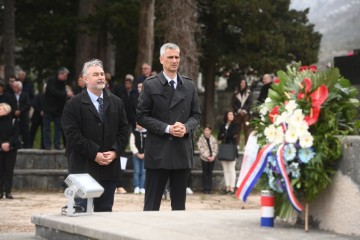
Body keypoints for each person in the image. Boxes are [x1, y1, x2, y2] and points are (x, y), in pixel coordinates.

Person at [136, 42, 201, 211]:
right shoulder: (151, 85)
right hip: (159, 151)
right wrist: (167, 128)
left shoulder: (189, 85)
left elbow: (196, 115)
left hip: (181, 151)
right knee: (151, 206)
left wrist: (186, 127)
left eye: (177, 57)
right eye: (170, 57)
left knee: (179, 207)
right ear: (161, 59)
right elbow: (141, 116)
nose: (174, 60)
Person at [61, 59, 129, 212]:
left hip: (109, 168)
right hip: (83, 169)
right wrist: (94, 153)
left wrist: (115, 151)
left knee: (104, 213)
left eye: (102, 74)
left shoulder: (117, 102)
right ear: (85, 79)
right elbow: (72, 135)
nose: (100, 77)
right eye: (95, 74)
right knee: (81, 212)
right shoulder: (73, 104)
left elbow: (124, 131)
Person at [43, 67, 74, 150]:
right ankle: (47, 145)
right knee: (46, 128)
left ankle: (57, 145)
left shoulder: (63, 82)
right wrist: (66, 93)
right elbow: (53, 91)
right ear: (60, 74)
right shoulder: (51, 80)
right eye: (65, 75)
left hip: (59, 109)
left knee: (58, 128)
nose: (66, 77)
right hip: (49, 108)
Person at [0, 103, 21, 199]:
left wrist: (8, 143)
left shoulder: (13, 121)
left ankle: (8, 191)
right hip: (0, 148)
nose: (0, 111)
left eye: (1, 109)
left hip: (11, 149)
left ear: (7, 110)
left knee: (9, 170)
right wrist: (1, 144)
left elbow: (15, 135)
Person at [217, 111, 238, 194]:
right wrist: (225, 134)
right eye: (230, 114)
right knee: (225, 170)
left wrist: (224, 134)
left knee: (231, 169)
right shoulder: (222, 126)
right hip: (224, 149)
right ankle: (227, 187)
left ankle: (232, 188)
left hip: (231, 148)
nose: (231, 116)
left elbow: (232, 134)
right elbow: (219, 137)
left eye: (232, 114)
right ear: (226, 116)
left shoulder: (235, 125)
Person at [197, 125, 218, 194]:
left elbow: (215, 147)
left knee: (210, 173)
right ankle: (205, 188)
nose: (207, 132)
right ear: (204, 131)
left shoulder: (213, 138)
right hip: (204, 158)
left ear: (210, 131)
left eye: (208, 130)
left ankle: (209, 188)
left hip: (212, 158)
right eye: (205, 130)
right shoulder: (201, 139)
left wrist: (213, 156)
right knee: (205, 173)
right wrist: (207, 156)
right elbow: (200, 148)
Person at [231, 78, 253, 146]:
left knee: (246, 129)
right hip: (237, 114)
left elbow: (249, 103)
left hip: (246, 114)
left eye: (244, 83)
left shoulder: (248, 93)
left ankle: (247, 145)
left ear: (245, 84)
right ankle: (236, 145)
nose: (242, 84)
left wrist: (244, 110)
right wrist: (239, 110)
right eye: (241, 83)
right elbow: (233, 103)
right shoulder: (235, 93)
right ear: (240, 84)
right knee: (237, 129)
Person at [12, 81, 31, 148]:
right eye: (13, 87)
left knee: (25, 132)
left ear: (20, 87)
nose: (14, 88)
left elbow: (28, 105)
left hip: (23, 116)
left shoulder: (25, 95)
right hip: (14, 116)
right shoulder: (11, 96)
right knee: (15, 131)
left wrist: (20, 111)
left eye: (16, 87)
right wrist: (14, 111)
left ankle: (27, 146)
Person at [129, 123, 147, 194]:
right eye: (138, 124)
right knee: (136, 171)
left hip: (145, 156)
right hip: (136, 156)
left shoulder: (147, 132)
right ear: (136, 125)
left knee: (143, 172)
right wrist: (137, 153)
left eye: (141, 124)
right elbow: (132, 144)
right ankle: (136, 186)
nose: (140, 126)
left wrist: (145, 153)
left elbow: (149, 144)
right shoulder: (133, 133)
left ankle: (142, 187)